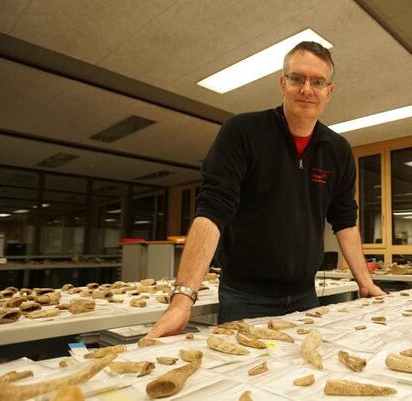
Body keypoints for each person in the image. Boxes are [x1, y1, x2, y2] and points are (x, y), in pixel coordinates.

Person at [147, 41, 385, 338]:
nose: (307, 89)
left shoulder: (337, 150)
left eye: (318, 81)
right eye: (297, 78)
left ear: (329, 91)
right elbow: (212, 212)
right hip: (245, 296)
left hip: (304, 296)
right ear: (283, 83)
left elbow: (345, 221)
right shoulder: (242, 132)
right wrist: (182, 300)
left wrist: (365, 283)